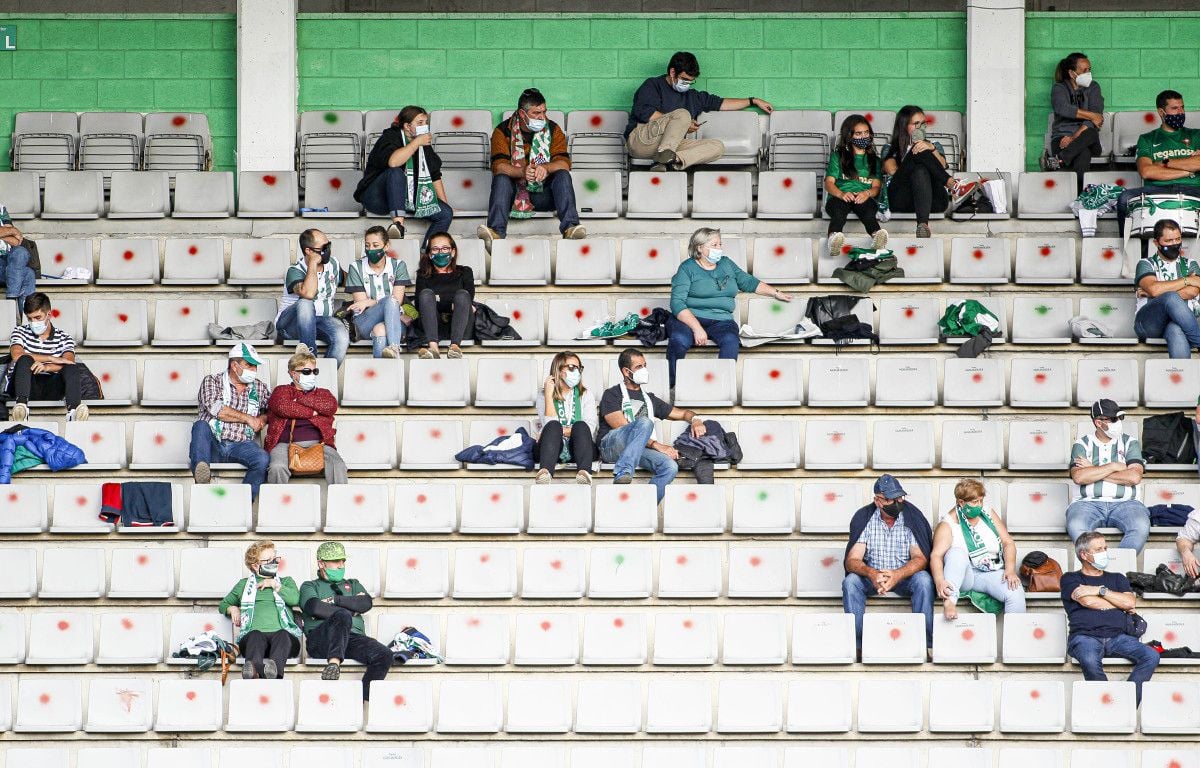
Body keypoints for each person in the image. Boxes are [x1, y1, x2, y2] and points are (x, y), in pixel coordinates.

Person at [667, 227, 789, 388]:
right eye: (714, 245)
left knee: (731, 341)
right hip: (690, 318)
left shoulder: (726, 264)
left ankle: (722, 386)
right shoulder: (687, 268)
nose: (719, 249)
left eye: (720, 244)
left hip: (721, 320)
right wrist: (697, 328)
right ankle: (672, 385)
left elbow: (748, 282)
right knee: (679, 340)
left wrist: (775, 293)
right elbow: (677, 303)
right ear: (699, 248)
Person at [625, 51, 772, 171]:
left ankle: (671, 161)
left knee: (717, 147)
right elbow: (645, 113)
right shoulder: (652, 85)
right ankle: (665, 155)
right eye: (684, 79)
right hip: (641, 141)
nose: (687, 84)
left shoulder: (693, 97)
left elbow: (722, 103)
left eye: (690, 81)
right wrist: (683, 124)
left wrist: (753, 100)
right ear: (672, 72)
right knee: (683, 114)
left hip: (671, 146)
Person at [476, 88, 585, 251]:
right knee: (501, 178)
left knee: (562, 175)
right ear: (522, 113)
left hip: (544, 195)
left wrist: (545, 168)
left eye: (544, 111)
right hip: (513, 196)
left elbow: (564, 163)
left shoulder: (553, 129)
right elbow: (498, 166)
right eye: (536, 113)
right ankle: (496, 234)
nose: (542, 117)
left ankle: (570, 228)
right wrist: (521, 172)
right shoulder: (502, 131)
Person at [1062, 531, 1159, 703]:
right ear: (1084, 555)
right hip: (1085, 637)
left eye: (1105, 548)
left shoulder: (1117, 578)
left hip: (1119, 637)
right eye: (1099, 549)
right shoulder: (1070, 578)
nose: (1105, 552)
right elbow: (1086, 601)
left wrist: (1100, 591)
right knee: (1090, 660)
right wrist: (1118, 602)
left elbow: (1130, 603)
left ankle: (1127, 703)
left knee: (1151, 656)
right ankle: (1107, 704)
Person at [597, 348, 705, 502]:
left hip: (636, 449)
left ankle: (644, 507)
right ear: (626, 372)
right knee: (644, 423)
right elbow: (619, 426)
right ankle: (623, 472)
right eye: (638, 367)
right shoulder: (612, 394)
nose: (644, 370)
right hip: (611, 446)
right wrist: (657, 445)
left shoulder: (650, 399)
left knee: (670, 467)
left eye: (645, 365)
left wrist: (696, 420)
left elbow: (682, 413)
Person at [842, 474, 934, 652]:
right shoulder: (865, 518)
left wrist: (897, 574)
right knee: (851, 582)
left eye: (900, 497)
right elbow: (852, 560)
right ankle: (858, 646)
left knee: (923, 580)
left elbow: (920, 559)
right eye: (891, 499)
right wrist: (872, 574)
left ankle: (926, 644)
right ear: (878, 500)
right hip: (873, 577)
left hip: (904, 577)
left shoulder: (912, 517)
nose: (898, 502)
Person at [299, 541, 393, 699]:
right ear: (321, 563)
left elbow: (365, 603)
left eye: (343, 561)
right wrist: (350, 608)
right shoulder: (310, 586)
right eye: (336, 561)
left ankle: (359, 701)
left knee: (384, 654)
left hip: (351, 638)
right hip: (321, 639)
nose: (341, 565)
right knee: (342, 615)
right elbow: (314, 607)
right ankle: (334, 663)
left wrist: (335, 600)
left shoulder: (353, 584)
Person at [353, 105, 453, 249]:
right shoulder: (390, 137)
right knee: (395, 172)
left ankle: (427, 253)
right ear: (407, 126)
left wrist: (444, 203)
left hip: (407, 198)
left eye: (426, 122)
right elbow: (393, 162)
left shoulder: (423, 143)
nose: (424, 126)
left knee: (445, 214)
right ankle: (398, 226)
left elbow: (434, 175)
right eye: (420, 123)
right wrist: (416, 143)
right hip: (377, 198)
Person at [930, 479, 1026, 620]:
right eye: (974, 502)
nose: (979, 505)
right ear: (961, 502)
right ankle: (950, 601)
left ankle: (1016, 636)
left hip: (990, 571)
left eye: (981, 501)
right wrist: (939, 581)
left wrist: (1010, 570)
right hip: (965, 575)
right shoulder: (948, 524)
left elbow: (1008, 542)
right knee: (956, 553)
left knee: (1015, 590)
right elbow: (936, 556)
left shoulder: (988, 513)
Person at [1066, 399, 1151, 553]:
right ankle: (1097, 567)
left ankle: (1119, 568)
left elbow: (1134, 477)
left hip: (1127, 503)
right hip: (1087, 503)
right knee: (1076, 525)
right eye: (1113, 419)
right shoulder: (1082, 444)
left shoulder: (1130, 443)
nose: (1118, 422)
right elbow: (1079, 477)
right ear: (1098, 423)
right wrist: (1113, 466)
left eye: (1119, 418)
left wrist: (1092, 469)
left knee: (1140, 526)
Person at [190, 342, 271, 500]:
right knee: (200, 426)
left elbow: (273, 410)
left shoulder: (259, 388)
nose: (254, 370)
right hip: (213, 443)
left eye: (255, 366)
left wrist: (262, 418)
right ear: (235, 366)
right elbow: (217, 410)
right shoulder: (212, 381)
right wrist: (248, 419)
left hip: (242, 444)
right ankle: (202, 476)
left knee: (262, 459)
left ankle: (243, 503)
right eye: (249, 365)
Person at [1116, 90, 1200, 240]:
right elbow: (1147, 171)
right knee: (1124, 198)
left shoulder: (1196, 135)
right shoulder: (1147, 139)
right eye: (1174, 108)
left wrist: (1166, 163)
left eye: (1182, 107)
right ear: (1161, 112)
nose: (1180, 112)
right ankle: (1133, 251)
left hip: (1193, 188)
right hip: (1157, 189)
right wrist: (1189, 170)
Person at [882, 105, 976, 238]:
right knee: (918, 164)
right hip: (901, 200)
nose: (921, 127)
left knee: (921, 169)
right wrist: (914, 152)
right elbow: (892, 170)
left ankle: (922, 226)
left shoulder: (934, 146)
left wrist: (930, 148)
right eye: (916, 124)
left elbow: (942, 165)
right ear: (903, 126)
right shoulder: (889, 148)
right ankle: (953, 185)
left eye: (923, 123)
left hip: (934, 200)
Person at [219, 540, 301, 680]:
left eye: (274, 558)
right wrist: (232, 608)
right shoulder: (244, 585)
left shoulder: (286, 582)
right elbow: (223, 605)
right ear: (256, 566)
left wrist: (274, 585)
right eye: (268, 560)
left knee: (282, 635)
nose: (274, 562)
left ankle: (273, 670)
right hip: (254, 641)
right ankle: (254, 670)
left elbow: (295, 599)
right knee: (254, 635)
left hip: (284, 641)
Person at [264, 349, 347, 486]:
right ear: (293, 374)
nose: (312, 375)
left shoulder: (323, 393)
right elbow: (282, 407)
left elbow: (330, 406)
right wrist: (313, 411)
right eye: (307, 372)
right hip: (284, 444)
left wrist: (297, 400)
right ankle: (277, 505)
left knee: (338, 465)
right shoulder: (281, 390)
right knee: (277, 467)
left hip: (319, 443)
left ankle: (341, 503)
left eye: (315, 371)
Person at [8, 292, 87, 422]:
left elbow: (69, 361)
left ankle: (74, 412)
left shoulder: (64, 337)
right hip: (23, 384)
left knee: (71, 368)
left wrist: (46, 367)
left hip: (51, 386)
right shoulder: (19, 331)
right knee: (24, 359)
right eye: (30, 319)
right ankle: (21, 409)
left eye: (38, 317)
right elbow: (16, 355)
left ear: (49, 315)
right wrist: (51, 358)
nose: (34, 322)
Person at [275, 228, 349, 366]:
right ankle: (309, 355)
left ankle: (325, 377)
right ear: (308, 251)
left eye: (329, 245)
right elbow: (308, 293)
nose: (328, 250)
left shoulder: (333, 264)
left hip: (319, 322)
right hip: (290, 325)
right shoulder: (294, 270)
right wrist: (313, 264)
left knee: (342, 337)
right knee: (305, 303)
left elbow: (351, 280)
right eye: (324, 248)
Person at [1133, 219, 1200, 359]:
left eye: (1178, 239)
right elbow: (1154, 289)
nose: (1175, 244)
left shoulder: (1191, 264)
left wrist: (1156, 292)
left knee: (1175, 329)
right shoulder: (1145, 264)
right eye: (1169, 241)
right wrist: (1186, 280)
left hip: (1179, 322)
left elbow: (1192, 291)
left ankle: (1183, 378)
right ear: (1156, 243)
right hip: (1148, 323)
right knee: (1170, 297)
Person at [825, 114, 889, 256]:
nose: (863, 137)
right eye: (858, 134)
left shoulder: (875, 161)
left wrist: (867, 193)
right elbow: (829, 183)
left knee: (868, 212)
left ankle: (877, 237)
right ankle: (833, 240)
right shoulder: (838, 156)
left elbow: (876, 187)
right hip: (839, 197)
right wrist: (841, 194)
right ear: (850, 136)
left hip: (864, 197)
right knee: (839, 212)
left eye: (866, 133)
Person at [345, 225, 410, 359]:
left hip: (392, 322)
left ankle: (385, 366)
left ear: (386, 246)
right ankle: (395, 349)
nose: (371, 249)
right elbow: (361, 304)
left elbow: (397, 301)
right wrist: (378, 303)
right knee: (389, 301)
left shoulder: (398, 266)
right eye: (367, 245)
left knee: (380, 330)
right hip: (364, 321)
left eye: (375, 245)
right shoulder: (356, 267)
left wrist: (371, 301)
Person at [536, 351, 597, 485]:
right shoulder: (542, 395)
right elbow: (549, 425)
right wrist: (548, 395)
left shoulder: (586, 394)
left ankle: (584, 473)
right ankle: (545, 473)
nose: (576, 372)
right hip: (552, 448)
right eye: (571, 367)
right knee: (553, 426)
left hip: (580, 447)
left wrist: (565, 430)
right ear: (558, 369)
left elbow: (590, 427)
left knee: (580, 426)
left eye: (578, 368)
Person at [414, 232, 474, 360]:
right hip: (432, 326)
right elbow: (421, 304)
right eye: (435, 249)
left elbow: (468, 300)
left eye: (445, 248)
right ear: (430, 254)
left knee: (462, 295)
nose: (440, 252)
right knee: (425, 294)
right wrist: (452, 302)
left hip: (460, 326)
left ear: (452, 252)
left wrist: (437, 300)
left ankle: (455, 347)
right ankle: (433, 349)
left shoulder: (465, 272)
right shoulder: (422, 274)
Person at [1049, 52, 1105, 189]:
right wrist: (1092, 115)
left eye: (1089, 69)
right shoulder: (1060, 88)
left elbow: (1096, 118)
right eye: (1084, 70)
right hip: (1061, 140)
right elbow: (1062, 108)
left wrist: (1074, 137)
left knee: (1091, 133)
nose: (1088, 73)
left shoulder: (1093, 87)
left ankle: (1060, 160)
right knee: (1083, 153)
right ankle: (1080, 196)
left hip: (1083, 140)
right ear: (1072, 73)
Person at [0, 210, 36, 307]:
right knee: (28, 274)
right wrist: (12, 231)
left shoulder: (1, 209)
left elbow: (16, 241)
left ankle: (12, 300)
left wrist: (4, 233)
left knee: (20, 251)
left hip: (8, 263)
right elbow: (13, 232)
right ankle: (15, 309)